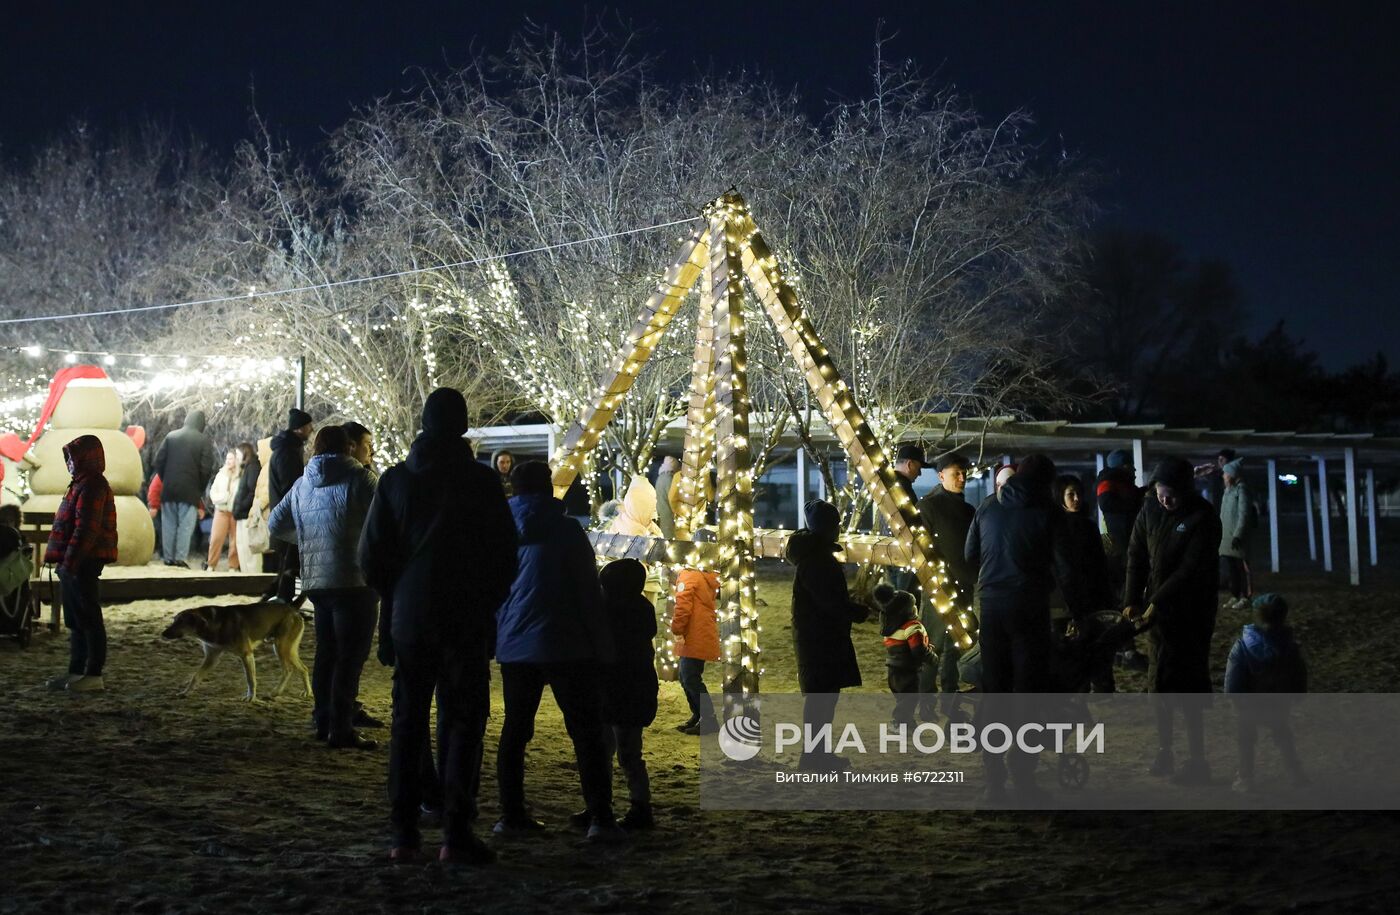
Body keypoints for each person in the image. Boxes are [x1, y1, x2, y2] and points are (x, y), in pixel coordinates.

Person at [359, 387, 518, 866]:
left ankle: (404, 832)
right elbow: (505, 556)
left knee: (408, 721)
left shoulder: (394, 482)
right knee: (463, 720)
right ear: (463, 426)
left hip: (409, 617)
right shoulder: (482, 483)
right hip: (466, 616)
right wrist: (486, 598)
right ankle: (455, 831)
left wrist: (397, 593)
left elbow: (371, 557)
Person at [493, 460, 621, 842]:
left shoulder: (498, 529)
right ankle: (600, 815)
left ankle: (511, 813)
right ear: (547, 487)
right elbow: (586, 591)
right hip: (567, 642)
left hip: (516, 643)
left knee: (515, 730)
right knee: (586, 731)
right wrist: (603, 646)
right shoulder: (566, 530)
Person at [964, 453, 1071, 801]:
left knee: (994, 691)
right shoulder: (1050, 512)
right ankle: (1023, 775)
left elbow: (970, 554)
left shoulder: (988, 505)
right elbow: (1064, 566)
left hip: (992, 606)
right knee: (1028, 693)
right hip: (1030, 607)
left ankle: (993, 779)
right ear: (1046, 482)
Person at [268, 425, 379, 750]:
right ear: (349, 446)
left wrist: (308, 539)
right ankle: (342, 728)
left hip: (317, 581)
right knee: (351, 656)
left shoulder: (303, 483)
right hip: (355, 580)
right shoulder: (361, 478)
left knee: (327, 653)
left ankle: (323, 719)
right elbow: (385, 520)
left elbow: (276, 523)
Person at [1124, 457, 1222, 786]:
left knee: (1189, 683)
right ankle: (1165, 750)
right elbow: (1136, 555)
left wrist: (1154, 602)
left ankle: (1197, 759)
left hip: (1192, 613)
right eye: (1162, 493)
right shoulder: (1150, 510)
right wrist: (1131, 600)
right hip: (1158, 614)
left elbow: (1190, 570)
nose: (1166, 501)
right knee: (1159, 679)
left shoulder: (1203, 517)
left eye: (1172, 496)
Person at [787, 499, 868, 772]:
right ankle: (812, 757)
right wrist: (855, 611)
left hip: (818, 638)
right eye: (835, 524)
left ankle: (818, 754)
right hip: (820, 640)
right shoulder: (818, 561)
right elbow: (829, 602)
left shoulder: (814, 558)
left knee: (823, 700)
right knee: (821, 701)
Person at [43, 435, 118, 693]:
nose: (70, 463)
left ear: (85, 457)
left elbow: (87, 529)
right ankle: (76, 672)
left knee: (88, 617)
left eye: (72, 457)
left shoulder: (93, 485)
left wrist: (70, 563)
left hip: (85, 560)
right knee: (76, 618)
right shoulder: (80, 484)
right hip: (73, 561)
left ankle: (93, 673)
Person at [593, 558, 658, 830]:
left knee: (610, 751)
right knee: (629, 753)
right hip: (634, 694)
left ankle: (609, 805)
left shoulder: (610, 616)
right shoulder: (643, 611)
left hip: (615, 693)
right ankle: (635, 805)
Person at [1224, 593, 1308, 792]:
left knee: (1245, 738)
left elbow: (1234, 678)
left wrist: (1234, 697)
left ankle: (1246, 777)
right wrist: (1297, 694)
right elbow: (1299, 673)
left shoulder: (1243, 646)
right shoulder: (1289, 646)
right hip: (1278, 700)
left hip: (1249, 703)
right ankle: (1295, 772)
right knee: (1282, 733)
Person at [917, 452, 977, 715]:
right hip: (938, 586)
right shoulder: (928, 506)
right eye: (956, 473)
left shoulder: (967, 509)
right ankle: (927, 703)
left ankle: (949, 700)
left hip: (963, 585)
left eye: (964, 473)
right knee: (934, 646)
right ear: (941, 476)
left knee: (955, 645)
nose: (962, 478)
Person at [1053, 473, 1116, 692]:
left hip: (1094, 596)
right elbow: (1064, 569)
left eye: (1079, 493)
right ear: (1060, 497)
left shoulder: (1088, 525)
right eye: (1071, 494)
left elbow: (1099, 564)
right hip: (1069, 600)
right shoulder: (1056, 528)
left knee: (1097, 649)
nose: (1077, 499)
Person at [1096, 449, 1147, 670]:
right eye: (1130, 466)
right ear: (1120, 467)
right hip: (1119, 552)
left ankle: (1120, 649)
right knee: (1123, 603)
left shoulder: (1121, 484)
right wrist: (1137, 499)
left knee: (1124, 602)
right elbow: (1109, 504)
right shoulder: (1109, 483)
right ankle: (1126, 651)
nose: (1134, 470)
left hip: (1122, 550)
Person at [671, 528, 720, 734]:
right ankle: (698, 715)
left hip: (692, 633)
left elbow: (683, 606)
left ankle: (708, 718)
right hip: (703, 630)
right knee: (688, 676)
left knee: (689, 677)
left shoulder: (689, 575)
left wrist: (676, 628)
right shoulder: (709, 575)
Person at [152, 410, 218, 567]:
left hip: (168, 489)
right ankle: (180, 558)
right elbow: (206, 469)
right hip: (190, 492)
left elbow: (158, 462)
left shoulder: (171, 437)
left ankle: (168, 558)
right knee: (185, 526)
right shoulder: (203, 441)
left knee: (168, 524)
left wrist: (166, 478)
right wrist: (199, 488)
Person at [266, 407, 314, 601]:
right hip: (289, 515)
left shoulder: (288, 449)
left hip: (286, 513)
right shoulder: (287, 452)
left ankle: (279, 596)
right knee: (288, 560)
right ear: (300, 428)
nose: (311, 430)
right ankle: (282, 599)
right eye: (309, 426)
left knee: (288, 561)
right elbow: (291, 485)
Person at [874, 584, 927, 727]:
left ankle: (906, 722)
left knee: (903, 698)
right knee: (910, 698)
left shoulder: (890, 628)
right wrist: (930, 656)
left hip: (893, 667)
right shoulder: (911, 627)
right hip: (907, 668)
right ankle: (900, 723)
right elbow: (917, 649)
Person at [1218, 458, 1255, 610]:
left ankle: (1246, 597)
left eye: (1225, 473)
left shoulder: (1242, 490)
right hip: (1227, 537)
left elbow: (1244, 514)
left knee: (1242, 568)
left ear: (1233, 474)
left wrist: (1238, 535)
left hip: (1236, 538)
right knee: (1232, 568)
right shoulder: (1228, 491)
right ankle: (1235, 595)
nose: (1223, 476)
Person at [205, 448, 242, 572]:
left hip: (234, 511)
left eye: (231, 458)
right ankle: (211, 564)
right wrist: (222, 498)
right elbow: (213, 492)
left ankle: (233, 565)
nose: (228, 461)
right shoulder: (221, 474)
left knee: (235, 541)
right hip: (221, 510)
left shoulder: (241, 475)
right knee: (216, 538)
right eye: (227, 458)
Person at [231, 442, 261, 575]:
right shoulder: (247, 468)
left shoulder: (253, 467)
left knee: (249, 551)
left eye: (238, 454)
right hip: (241, 514)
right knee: (242, 547)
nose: (237, 457)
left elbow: (252, 491)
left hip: (246, 514)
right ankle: (246, 574)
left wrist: (242, 505)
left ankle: (253, 575)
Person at [654, 455, 680, 538]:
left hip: (660, 510)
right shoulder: (669, 479)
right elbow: (672, 497)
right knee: (670, 536)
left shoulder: (660, 478)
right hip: (668, 512)